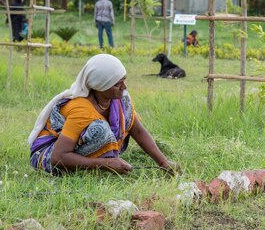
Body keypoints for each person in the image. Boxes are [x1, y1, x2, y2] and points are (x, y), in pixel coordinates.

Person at [28, 54, 180, 176]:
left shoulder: (120, 99)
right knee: (100, 130)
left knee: (123, 110)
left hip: (72, 150)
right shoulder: (81, 110)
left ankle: (96, 163)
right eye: (117, 84)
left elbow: (137, 130)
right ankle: (92, 166)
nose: (124, 87)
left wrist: (163, 162)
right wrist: (106, 164)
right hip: (48, 154)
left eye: (124, 80)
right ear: (100, 86)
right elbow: (58, 157)